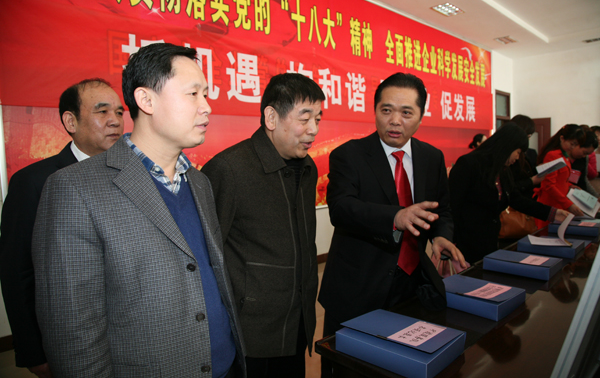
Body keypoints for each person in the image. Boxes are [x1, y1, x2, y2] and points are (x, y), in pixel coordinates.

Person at [32, 43, 245, 377]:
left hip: (226, 365)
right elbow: (73, 333)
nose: (206, 107)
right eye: (193, 94)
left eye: (206, 94)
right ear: (146, 100)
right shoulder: (75, 189)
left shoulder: (199, 182)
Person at [318, 72, 466, 377]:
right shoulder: (349, 155)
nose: (395, 121)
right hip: (358, 287)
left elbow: (442, 211)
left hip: (411, 285)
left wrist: (440, 236)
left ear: (421, 116)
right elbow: (341, 209)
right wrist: (395, 217)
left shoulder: (431, 157)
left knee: (401, 366)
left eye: (406, 113)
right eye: (386, 110)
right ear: (375, 111)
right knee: (350, 369)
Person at [202, 73, 324, 378]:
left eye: (318, 119)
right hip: (250, 333)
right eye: (304, 118)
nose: (313, 129)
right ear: (271, 117)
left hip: (297, 320)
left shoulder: (308, 167)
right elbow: (207, 257)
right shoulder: (229, 169)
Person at [0, 78, 124, 378]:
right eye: (102, 111)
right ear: (71, 121)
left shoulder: (131, 176)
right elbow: (17, 272)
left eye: (119, 112)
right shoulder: (34, 182)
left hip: (127, 337)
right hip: (71, 342)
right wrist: (33, 351)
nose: (115, 121)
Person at [449, 123, 569, 264]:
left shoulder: (502, 170)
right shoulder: (468, 164)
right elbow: (452, 206)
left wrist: (552, 213)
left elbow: (516, 199)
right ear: (507, 146)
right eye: (518, 152)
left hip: (489, 243)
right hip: (464, 245)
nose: (518, 157)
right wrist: (450, 242)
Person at [535, 124, 586, 218]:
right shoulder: (552, 155)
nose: (573, 147)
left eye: (576, 145)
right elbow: (548, 185)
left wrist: (569, 185)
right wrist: (568, 204)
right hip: (551, 203)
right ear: (562, 138)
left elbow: (561, 179)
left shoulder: (565, 156)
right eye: (572, 144)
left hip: (560, 202)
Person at [510, 114, 543, 199]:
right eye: (528, 137)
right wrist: (531, 181)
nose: (528, 140)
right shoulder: (509, 156)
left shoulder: (530, 153)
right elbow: (510, 186)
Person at [570, 128, 599, 196]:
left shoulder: (584, 159)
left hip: (578, 194)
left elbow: (584, 180)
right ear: (577, 145)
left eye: (587, 154)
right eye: (584, 152)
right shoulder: (561, 157)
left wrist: (596, 196)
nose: (584, 156)